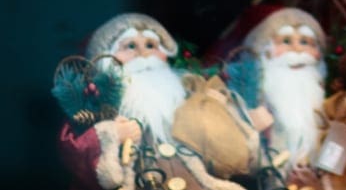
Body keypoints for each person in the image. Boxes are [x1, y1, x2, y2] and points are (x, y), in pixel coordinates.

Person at [58, 13, 258, 190]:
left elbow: (233, 159)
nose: (143, 54)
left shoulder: (190, 98)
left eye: (151, 45)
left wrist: (219, 115)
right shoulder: (94, 108)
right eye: (130, 46)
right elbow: (75, 153)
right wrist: (112, 135)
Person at [241, 7, 346, 187]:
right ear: (264, 51)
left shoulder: (333, 104)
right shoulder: (248, 102)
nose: (297, 50)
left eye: (305, 42)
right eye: (286, 41)